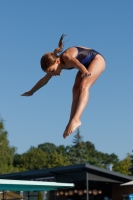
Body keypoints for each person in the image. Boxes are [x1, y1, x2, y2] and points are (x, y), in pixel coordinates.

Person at [21, 34, 106, 139]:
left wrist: (84, 71)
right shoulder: (56, 64)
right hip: (84, 64)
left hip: (96, 59)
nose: (52, 74)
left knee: (84, 85)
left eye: (52, 71)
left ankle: (76, 119)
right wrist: (31, 91)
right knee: (75, 88)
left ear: (57, 61)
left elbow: (77, 63)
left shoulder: (66, 57)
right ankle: (71, 121)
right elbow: (44, 80)